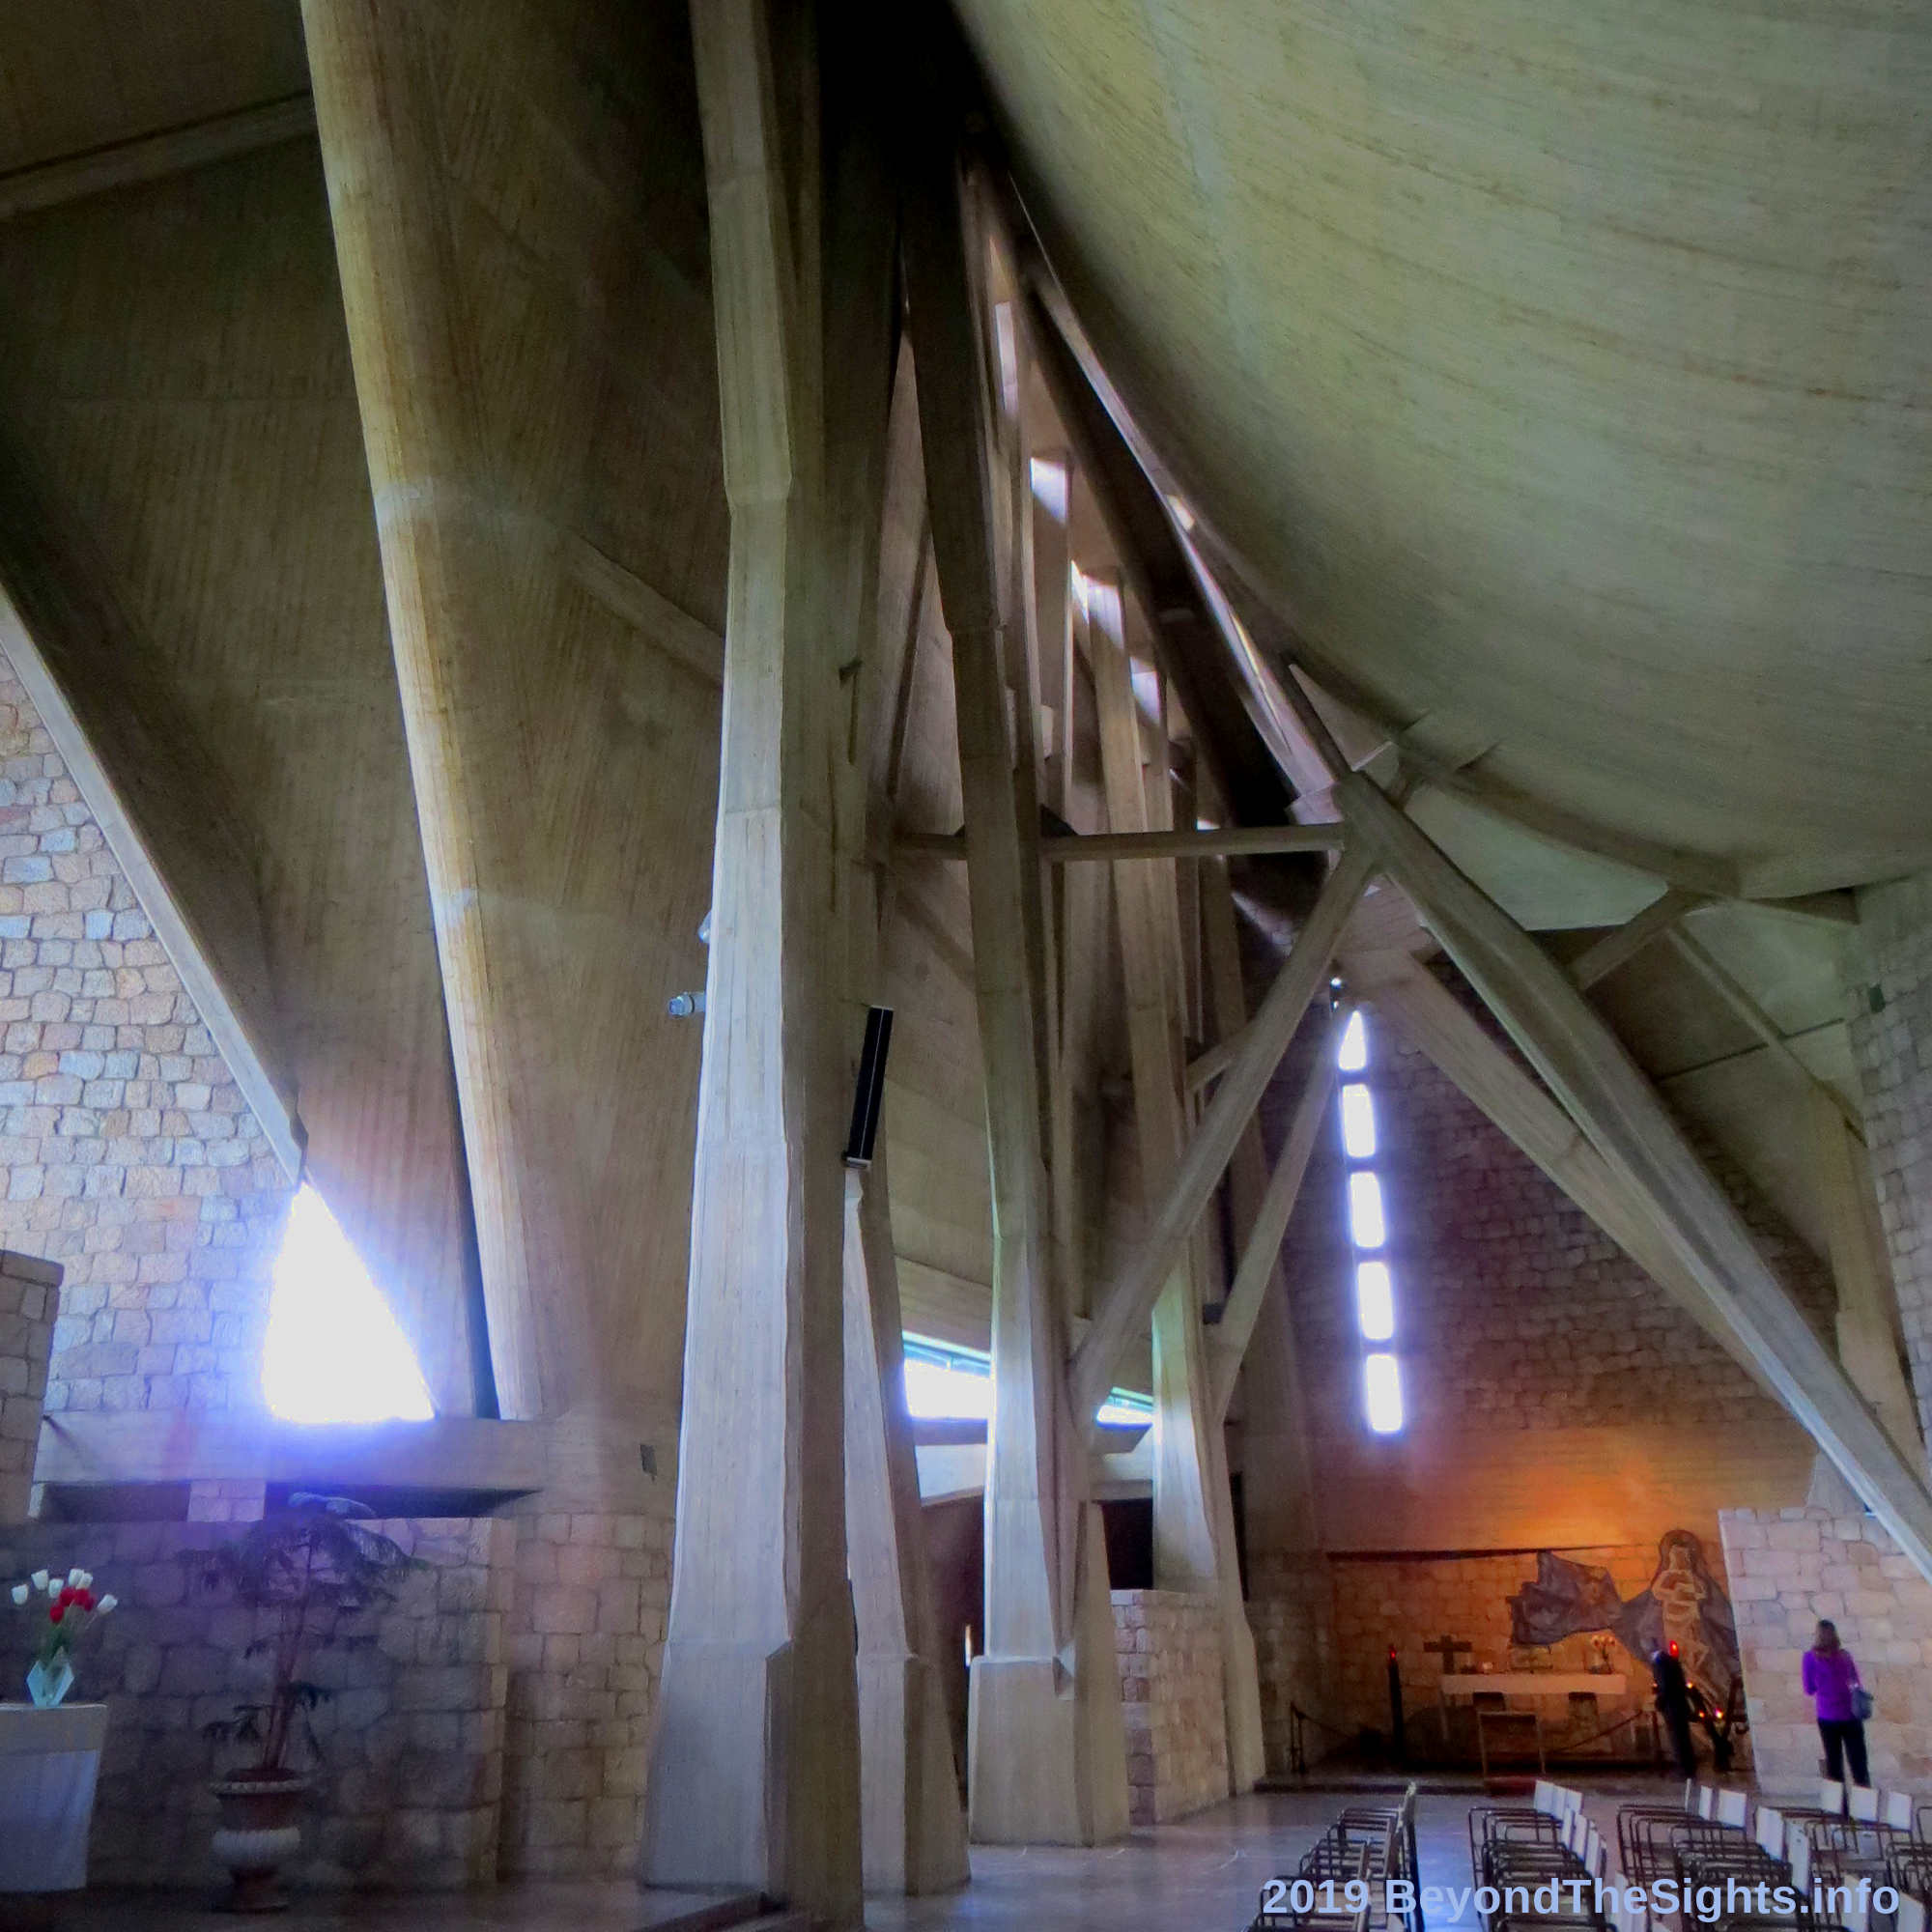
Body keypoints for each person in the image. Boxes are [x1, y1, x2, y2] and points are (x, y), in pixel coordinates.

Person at [1802, 1619, 1870, 1787]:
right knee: (1859, 1765)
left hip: (1827, 1717)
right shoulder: (1845, 1656)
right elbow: (1856, 1682)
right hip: (1850, 1715)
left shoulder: (1809, 1659)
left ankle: (1840, 1810)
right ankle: (1864, 1809)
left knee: (1834, 1766)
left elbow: (1809, 1689)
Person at [1651, 1639, 1696, 1777]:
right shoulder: (1671, 1660)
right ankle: (1689, 1768)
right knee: (1683, 1737)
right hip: (1680, 1704)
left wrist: (1659, 1700)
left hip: (1672, 1706)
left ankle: (1683, 1769)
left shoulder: (1660, 1662)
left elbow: (1665, 1685)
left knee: (1677, 1738)